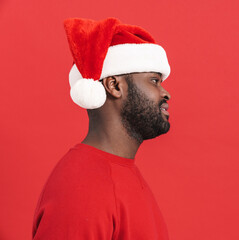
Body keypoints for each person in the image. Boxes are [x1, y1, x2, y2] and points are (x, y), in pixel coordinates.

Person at [32, 17, 172, 240]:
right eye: (154, 81)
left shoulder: (120, 172)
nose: (166, 93)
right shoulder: (82, 189)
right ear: (114, 86)